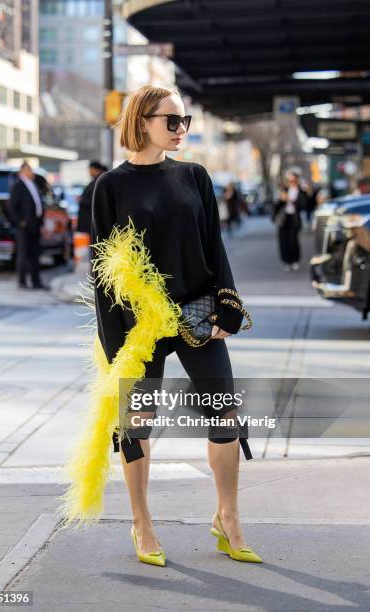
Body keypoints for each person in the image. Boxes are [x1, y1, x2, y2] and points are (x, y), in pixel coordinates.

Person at [92, 85, 262, 566]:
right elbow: (103, 273)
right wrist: (114, 345)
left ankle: (227, 517)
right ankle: (142, 524)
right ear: (141, 120)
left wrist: (227, 308)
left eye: (184, 120)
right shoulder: (111, 186)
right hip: (139, 324)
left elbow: (214, 244)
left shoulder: (194, 176)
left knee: (225, 417)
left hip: (195, 314)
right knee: (136, 425)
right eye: (172, 120)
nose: (181, 128)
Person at [9, 161, 46, 289]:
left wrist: (41, 223)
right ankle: (22, 282)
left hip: (35, 225)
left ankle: (36, 282)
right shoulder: (18, 185)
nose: (32, 173)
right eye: (29, 170)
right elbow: (12, 207)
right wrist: (20, 221)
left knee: (35, 254)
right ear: (23, 171)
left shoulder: (33, 185)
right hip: (24, 226)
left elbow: (38, 204)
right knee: (23, 254)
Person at [272, 171, 308, 271]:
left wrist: (291, 200)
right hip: (284, 218)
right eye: (289, 180)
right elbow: (276, 205)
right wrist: (281, 199)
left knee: (293, 241)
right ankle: (286, 261)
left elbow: (303, 205)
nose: (291, 182)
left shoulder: (301, 191)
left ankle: (295, 260)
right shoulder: (284, 190)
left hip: (294, 219)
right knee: (283, 241)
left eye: (293, 180)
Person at [77, 160, 107, 241]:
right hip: (90, 220)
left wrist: (82, 200)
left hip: (91, 220)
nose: (89, 172)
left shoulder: (99, 180)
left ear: (94, 169)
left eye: (90, 169)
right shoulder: (97, 180)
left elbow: (96, 199)